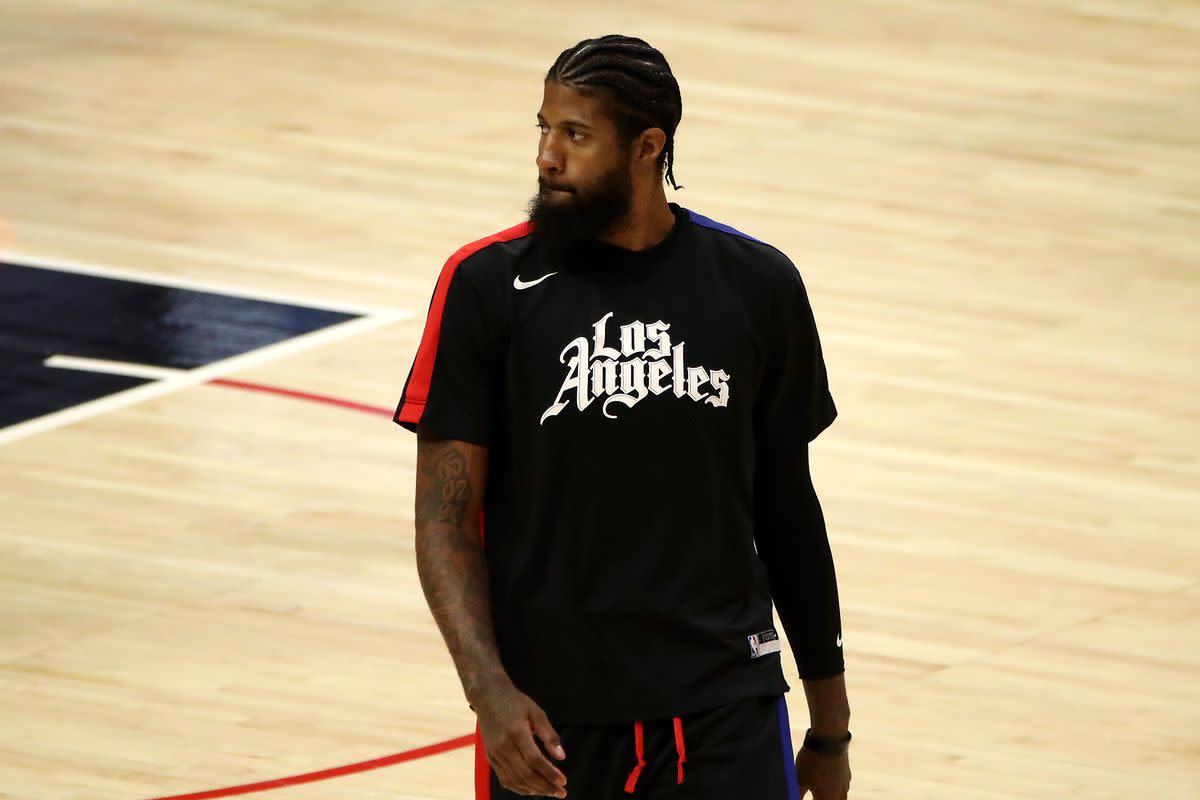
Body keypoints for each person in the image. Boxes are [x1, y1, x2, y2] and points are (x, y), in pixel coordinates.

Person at [394, 34, 852, 800]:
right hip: (549, 722)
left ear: (647, 147)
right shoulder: (486, 285)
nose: (546, 157)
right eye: (544, 128)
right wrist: (489, 693)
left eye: (575, 135)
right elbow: (444, 521)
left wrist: (830, 727)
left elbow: (788, 512)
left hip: (724, 702)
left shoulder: (756, 286)